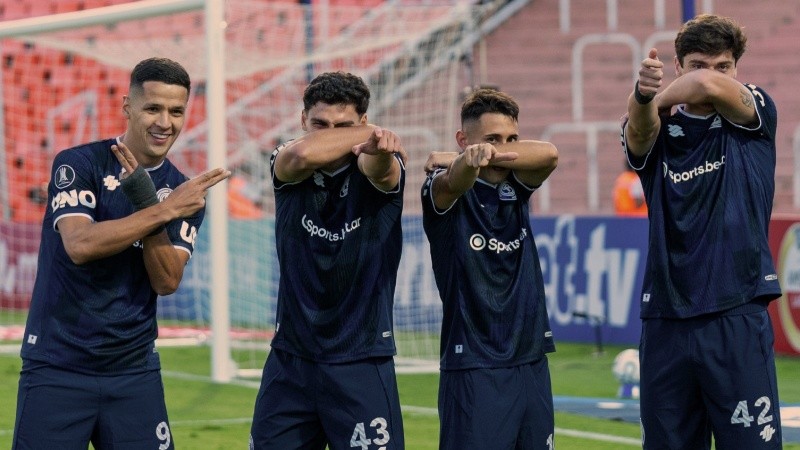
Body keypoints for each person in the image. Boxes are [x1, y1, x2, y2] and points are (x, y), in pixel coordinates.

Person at [12, 57, 230, 449]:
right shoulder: (79, 163)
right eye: (153, 108)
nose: (165, 122)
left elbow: (166, 281)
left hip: (133, 373)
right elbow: (79, 246)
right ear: (127, 106)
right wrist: (160, 209)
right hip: (58, 366)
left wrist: (155, 200)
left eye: (176, 111)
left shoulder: (182, 192)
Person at [622, 14, 783, 449]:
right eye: (696, 64)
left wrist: (653, 98)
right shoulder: (657, 126)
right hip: (666, 320)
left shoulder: (755, 111)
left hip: (736, 311)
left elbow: (707, 90)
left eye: (723, 66)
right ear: (677, 65)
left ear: (736, 69)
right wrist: (642, 98)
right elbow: (637, 133)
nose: (712, 76)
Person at [250, 71, 406, 450]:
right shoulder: (287, 159)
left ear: (363, 123)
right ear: (303, 120)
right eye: (319, 124)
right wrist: (364, 133)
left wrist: (377, 146)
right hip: (292, 360)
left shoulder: (382, 159)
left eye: (344, 126)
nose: (327, 133)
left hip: (361, 360)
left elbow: (381, 171)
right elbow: (303, 153)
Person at [421, 87, 559, 449]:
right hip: (474, 365)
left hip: (531, 361)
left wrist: (488, 153)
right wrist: (463, 160)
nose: (502, 146)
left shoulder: (517, 183)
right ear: (463, 138)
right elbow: (455, 179)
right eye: (491, 139)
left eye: (512, 138)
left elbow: (549, 154)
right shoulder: (439, 189)